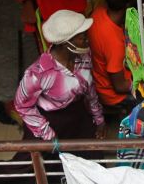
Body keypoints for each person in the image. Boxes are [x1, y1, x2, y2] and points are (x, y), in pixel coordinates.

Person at [15, 10, 107, 146]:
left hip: (77, 115)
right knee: (33, 163)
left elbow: (90, 93)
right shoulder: (38, 73)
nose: (87, 39)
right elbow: (22, 105)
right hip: (50, 120)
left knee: (89, 159)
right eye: (82, 37)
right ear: (66, 43)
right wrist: (46, 132)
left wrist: (99, 120)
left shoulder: (84, 58)